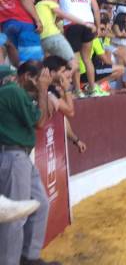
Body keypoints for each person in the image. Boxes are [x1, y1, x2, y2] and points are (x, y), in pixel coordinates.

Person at [0, 62, 63, 265]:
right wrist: (44, 90)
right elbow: (40, 122)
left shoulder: (15, 92)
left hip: (20, 156)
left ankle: (29, 258)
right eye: (40, 78)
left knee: (39, 204)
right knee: (15, 216)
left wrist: (43, 91)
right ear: (28, 77)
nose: (42, 81)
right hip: (12, 155)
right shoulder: (13, 92)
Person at [52, 0, 104, 97]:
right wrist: (98, 27)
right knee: (87, 59)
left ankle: (78, 90)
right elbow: (96, 9)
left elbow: (52, 5)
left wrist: (53, 22)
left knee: (74, 59)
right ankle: (92, 88)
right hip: (88, 24)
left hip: (72, 24)